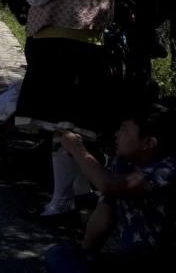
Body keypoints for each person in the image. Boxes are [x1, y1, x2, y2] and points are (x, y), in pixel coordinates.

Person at [13, 0, 115, 218]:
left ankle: (66, 201)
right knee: (63, 128)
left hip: (71, 51)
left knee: (68, 128)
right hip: (62, 49)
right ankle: (73, 196)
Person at [45, 105, 175, 270]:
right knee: (60, 255)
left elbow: (107, 185)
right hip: (131, 258)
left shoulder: (167, 169)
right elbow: (104, 214)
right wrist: (86, 257)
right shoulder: (123, 163)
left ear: (148, 142)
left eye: (124, 129)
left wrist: (77, 148)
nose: (117, 135)